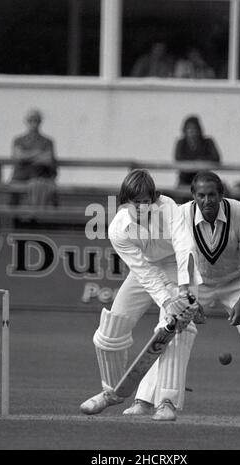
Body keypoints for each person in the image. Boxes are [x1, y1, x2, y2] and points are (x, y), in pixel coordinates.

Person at [128, 172, 240, 417]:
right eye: (201, 195)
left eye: (212, 195)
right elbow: (172, 259)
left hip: (236, 282)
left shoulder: (239, 213)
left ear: (221, 195)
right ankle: (144, 400)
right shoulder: (180, 215)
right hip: (194, 282)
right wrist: (188, 297)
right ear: (193, 197)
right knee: (167, 329)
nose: (207, 201)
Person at [80, 169, 203, 421]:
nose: (141, 207)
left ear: (153, 200)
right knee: (110, 330)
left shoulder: (168, 207)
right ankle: (112, 391)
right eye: (135, 202)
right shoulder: (118, 230)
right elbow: (144, 271)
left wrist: (184, 292)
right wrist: (167, 300)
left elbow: (185, 248)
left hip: (177, 266)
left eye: (146, 201)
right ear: (125, 201)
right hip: (146, 268)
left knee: (175, 328)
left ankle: (166, 402)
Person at [11, 109, 57, 207]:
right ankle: (14, 217)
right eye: (31, 120)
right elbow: (19, 156)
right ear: (26, 122)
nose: (33, 123)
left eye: (36, 120)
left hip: (40, 176)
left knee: (41, 187)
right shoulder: (19, 140)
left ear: (40, 122)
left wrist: (27, 155)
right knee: (12, 191)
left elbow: (47, 159)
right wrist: (38, 153)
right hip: (21, 177)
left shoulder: (47, 141)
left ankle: (39, 218)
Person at [174, 115, 221, 186]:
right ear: (185, 131)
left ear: (199, 130)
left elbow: (216, 158)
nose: (192, 132)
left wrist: (194, 160)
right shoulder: (181, 143)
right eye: (189, 129)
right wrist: (200, 160)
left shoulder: (208, 142)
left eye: (194, 129)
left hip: (204, 180)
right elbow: (178, 158)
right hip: (185, 179)